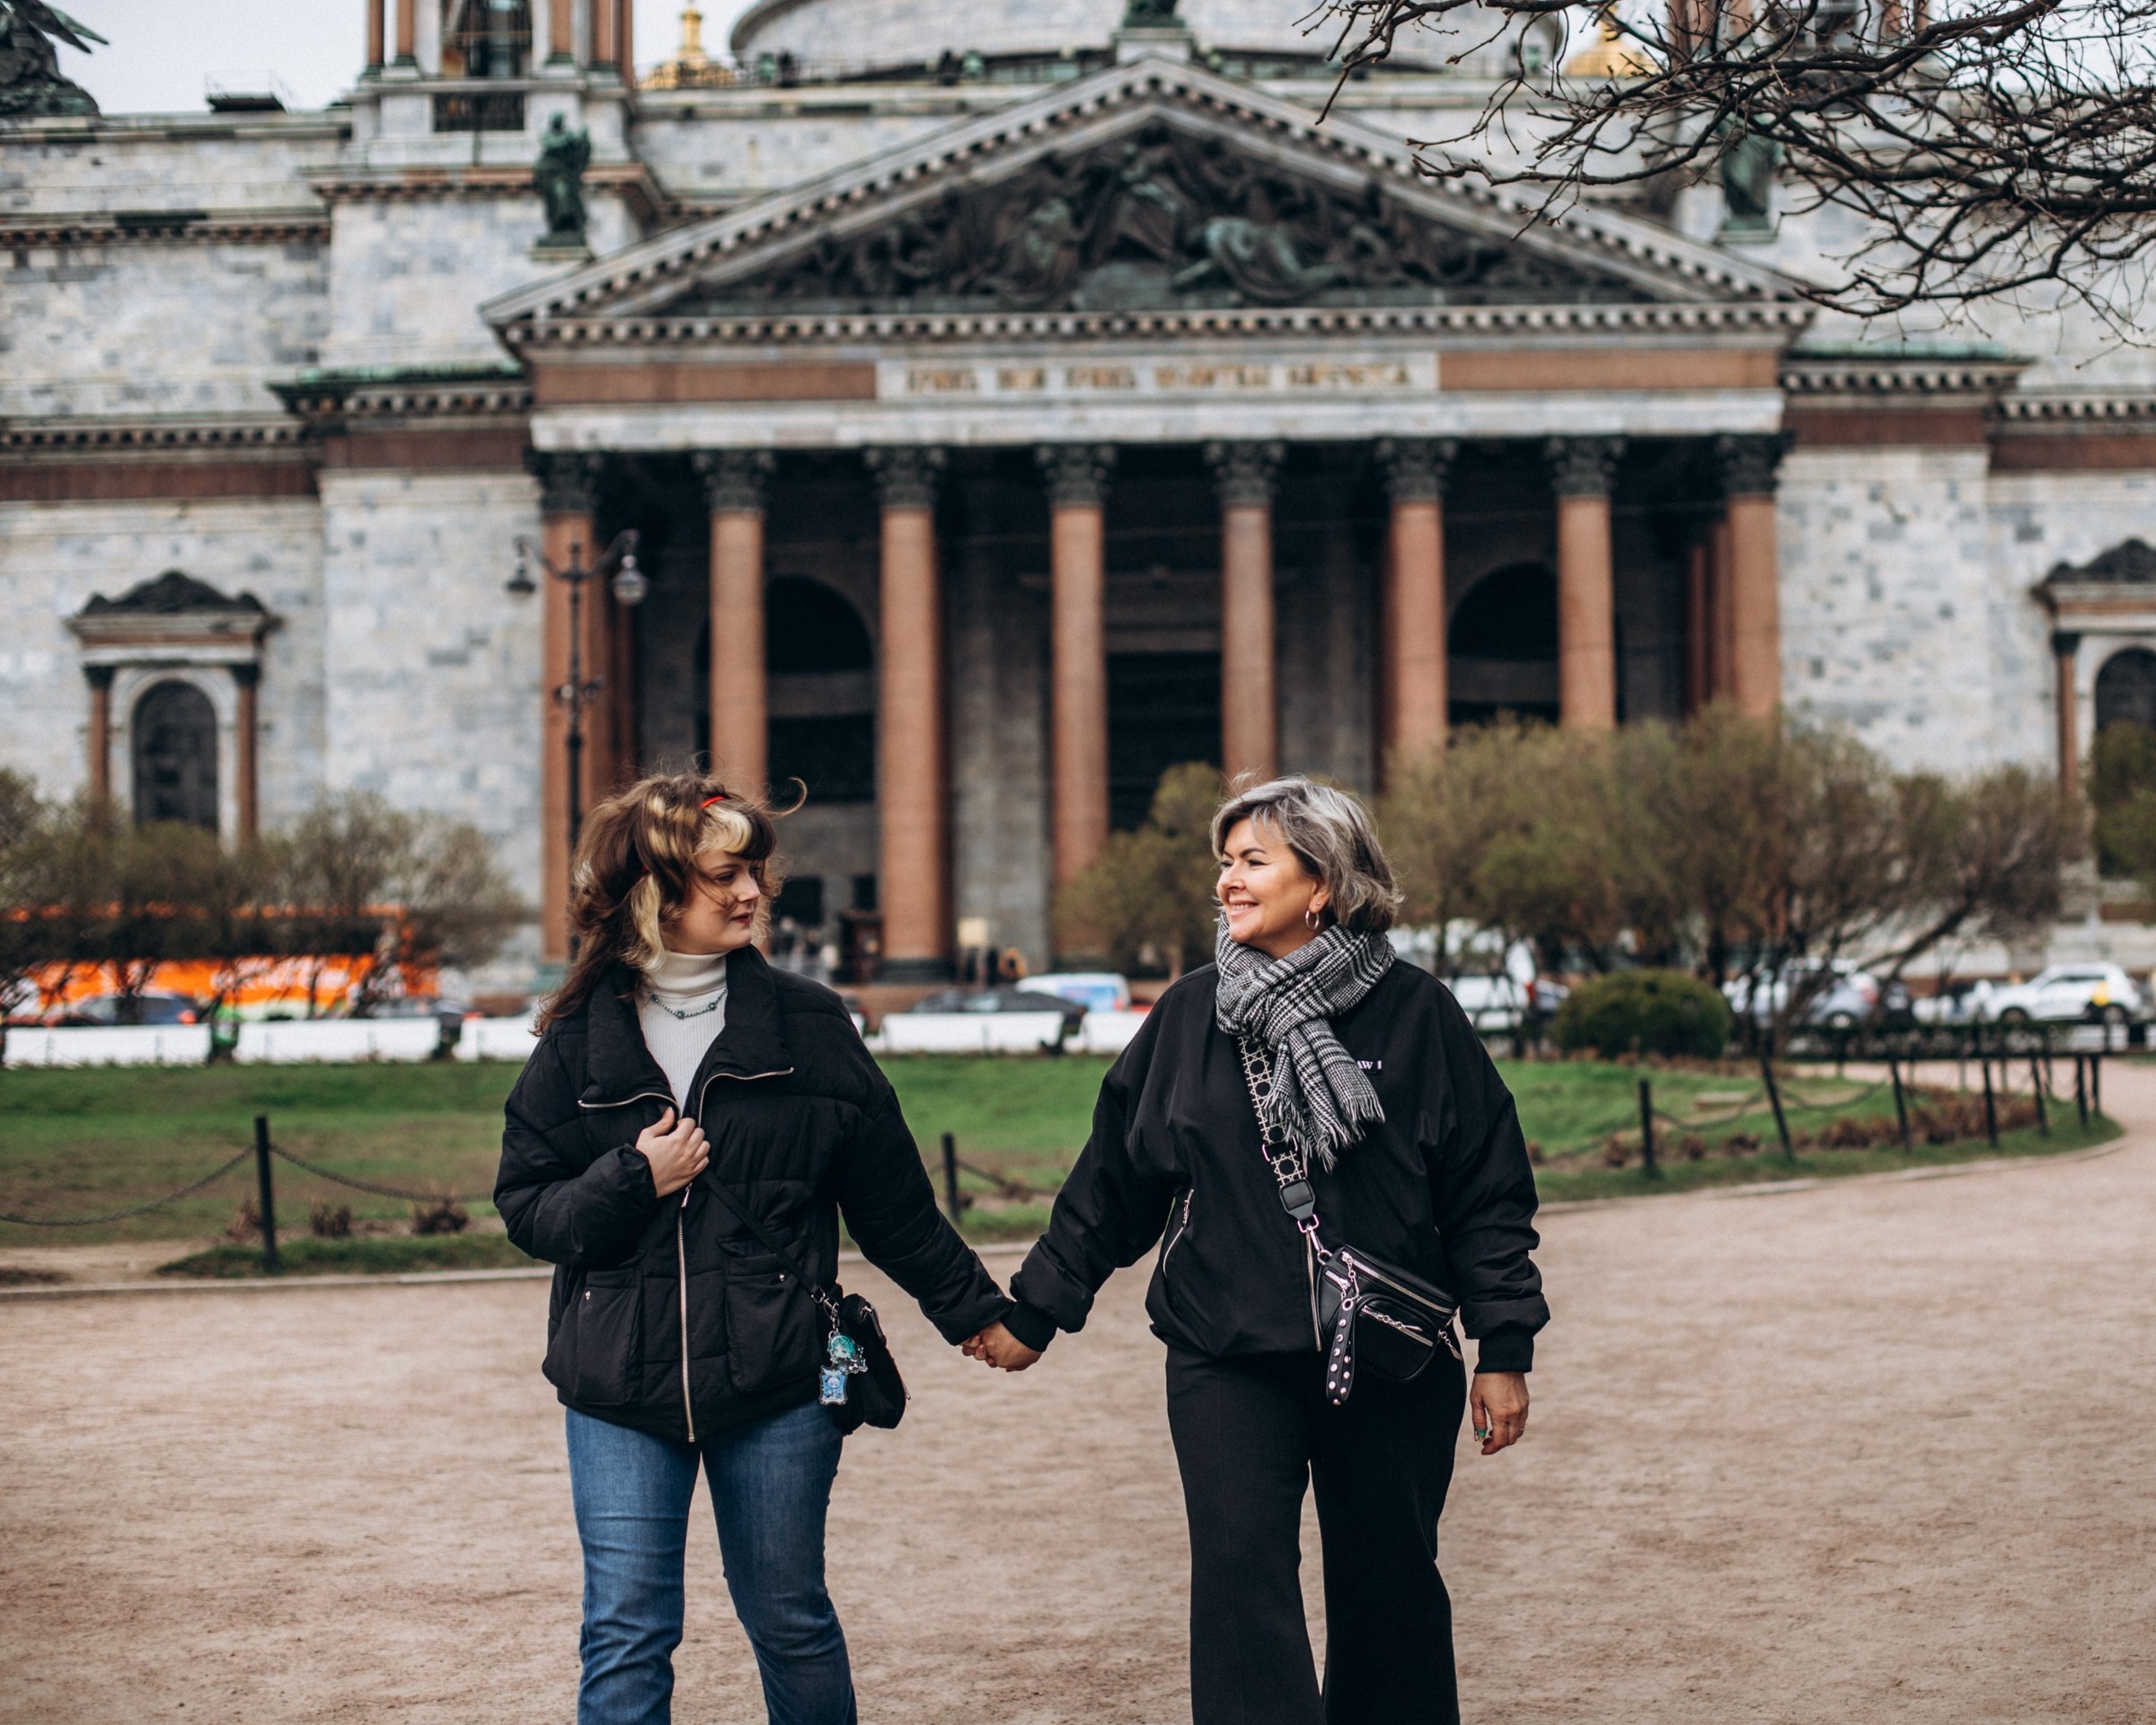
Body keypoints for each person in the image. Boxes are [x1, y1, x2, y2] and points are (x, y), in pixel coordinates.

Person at [965, 774, 1548, 1725]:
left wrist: (1505, 1345)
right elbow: (1115, 1180)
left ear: (1323, 883)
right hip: (1224, 1351)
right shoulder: (1191, 1014)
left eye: (1252, 862)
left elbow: (1486, 1192)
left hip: (1388, 1354)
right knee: (1240, 1582)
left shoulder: (1419, 1014)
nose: (1226, 882)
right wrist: (1036, 1311)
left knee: (1390, 1584)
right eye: (1224, 863)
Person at [496, 774, 1012, 1725]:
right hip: (617, 1389)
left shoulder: (809, 1024)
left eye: (754, 873)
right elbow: (527, 1208)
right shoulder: (576, 1036)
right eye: (725, 875)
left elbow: (893, 1207)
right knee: (624, 1630)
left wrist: (978, 1314)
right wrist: (631, 1178)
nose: (752, 893)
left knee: (789, 1618)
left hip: (783, 1382)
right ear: (654, 890)